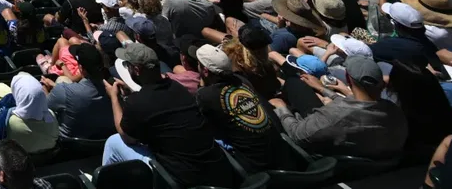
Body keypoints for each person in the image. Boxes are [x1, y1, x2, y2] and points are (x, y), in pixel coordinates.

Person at [102, 43, 236, 187]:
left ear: (136, 69)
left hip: (184, 179)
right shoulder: (178, 88)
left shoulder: (138, 103)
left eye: (128, 66)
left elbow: (126, 136)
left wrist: (114, 98)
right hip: (216, 170)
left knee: (113, 142)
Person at [270, 54, 406, 162]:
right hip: (378, 164)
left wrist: (282, 108)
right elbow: (357, 104)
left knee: (294, 83)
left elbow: (296, 135)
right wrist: (323, 89)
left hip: (334, 161)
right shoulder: (394, 111)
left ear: (348, 77)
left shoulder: (334, 116)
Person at [191, 43, 293, 173]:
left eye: (198, 65)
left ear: (205, 71)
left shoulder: (205, 95)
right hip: (282, 155)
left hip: (254, 166)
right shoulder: (241, 80)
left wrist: (202, 85)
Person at [46, 42, 114, 140]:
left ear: (81, 68)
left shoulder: (64, 90)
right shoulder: (114, 90)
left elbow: (44, 107)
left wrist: (44, 90)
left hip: (69, 145)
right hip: (100, 143)